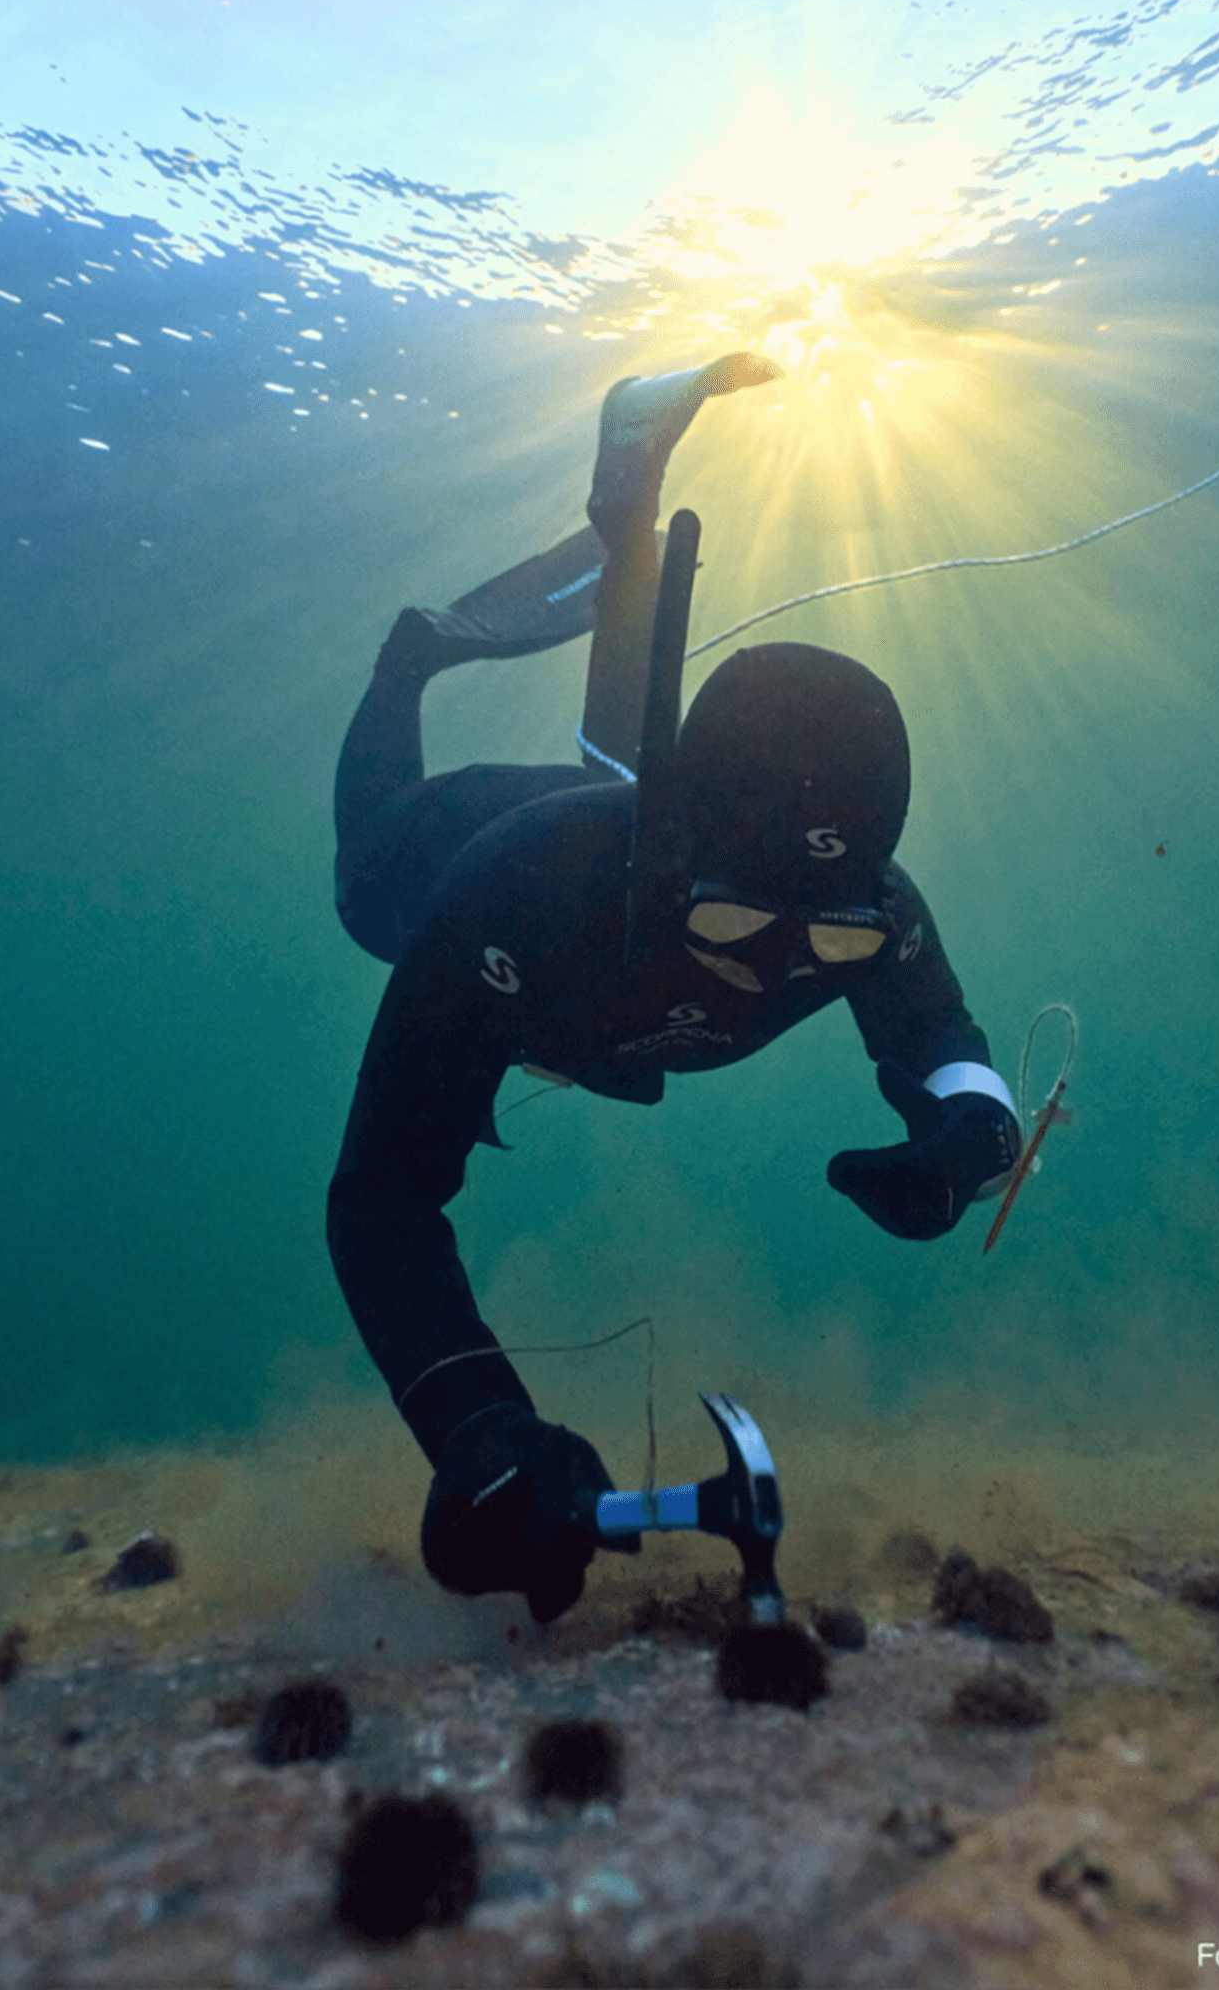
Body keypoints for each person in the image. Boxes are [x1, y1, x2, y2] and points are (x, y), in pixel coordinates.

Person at [326, 356, 1024, 1624]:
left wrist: (967, 1139)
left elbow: (942, 1036)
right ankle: (413, 659)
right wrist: (480, 1429)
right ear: (683, 857)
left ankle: (626, 520)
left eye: (835, 939)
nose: (781, 957)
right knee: (363, 883)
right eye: (740, 919)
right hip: (449, 848)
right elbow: (380, 1198)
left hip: (640, 861)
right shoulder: (506, 897)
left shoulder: (865, 909)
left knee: (629, 764)